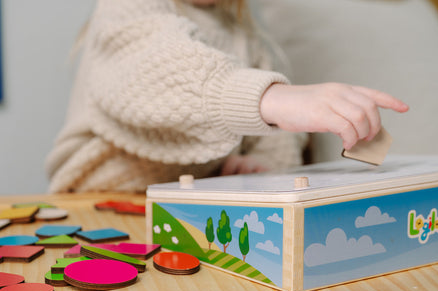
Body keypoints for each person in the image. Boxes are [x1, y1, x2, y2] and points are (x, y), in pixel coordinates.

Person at [45, 0, 408, 193]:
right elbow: (152, 65)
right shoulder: (129, 9)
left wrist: (262, 164)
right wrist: (272, 98)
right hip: (97, 196)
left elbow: (282, 134)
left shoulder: (248, 38)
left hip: (188, 205)